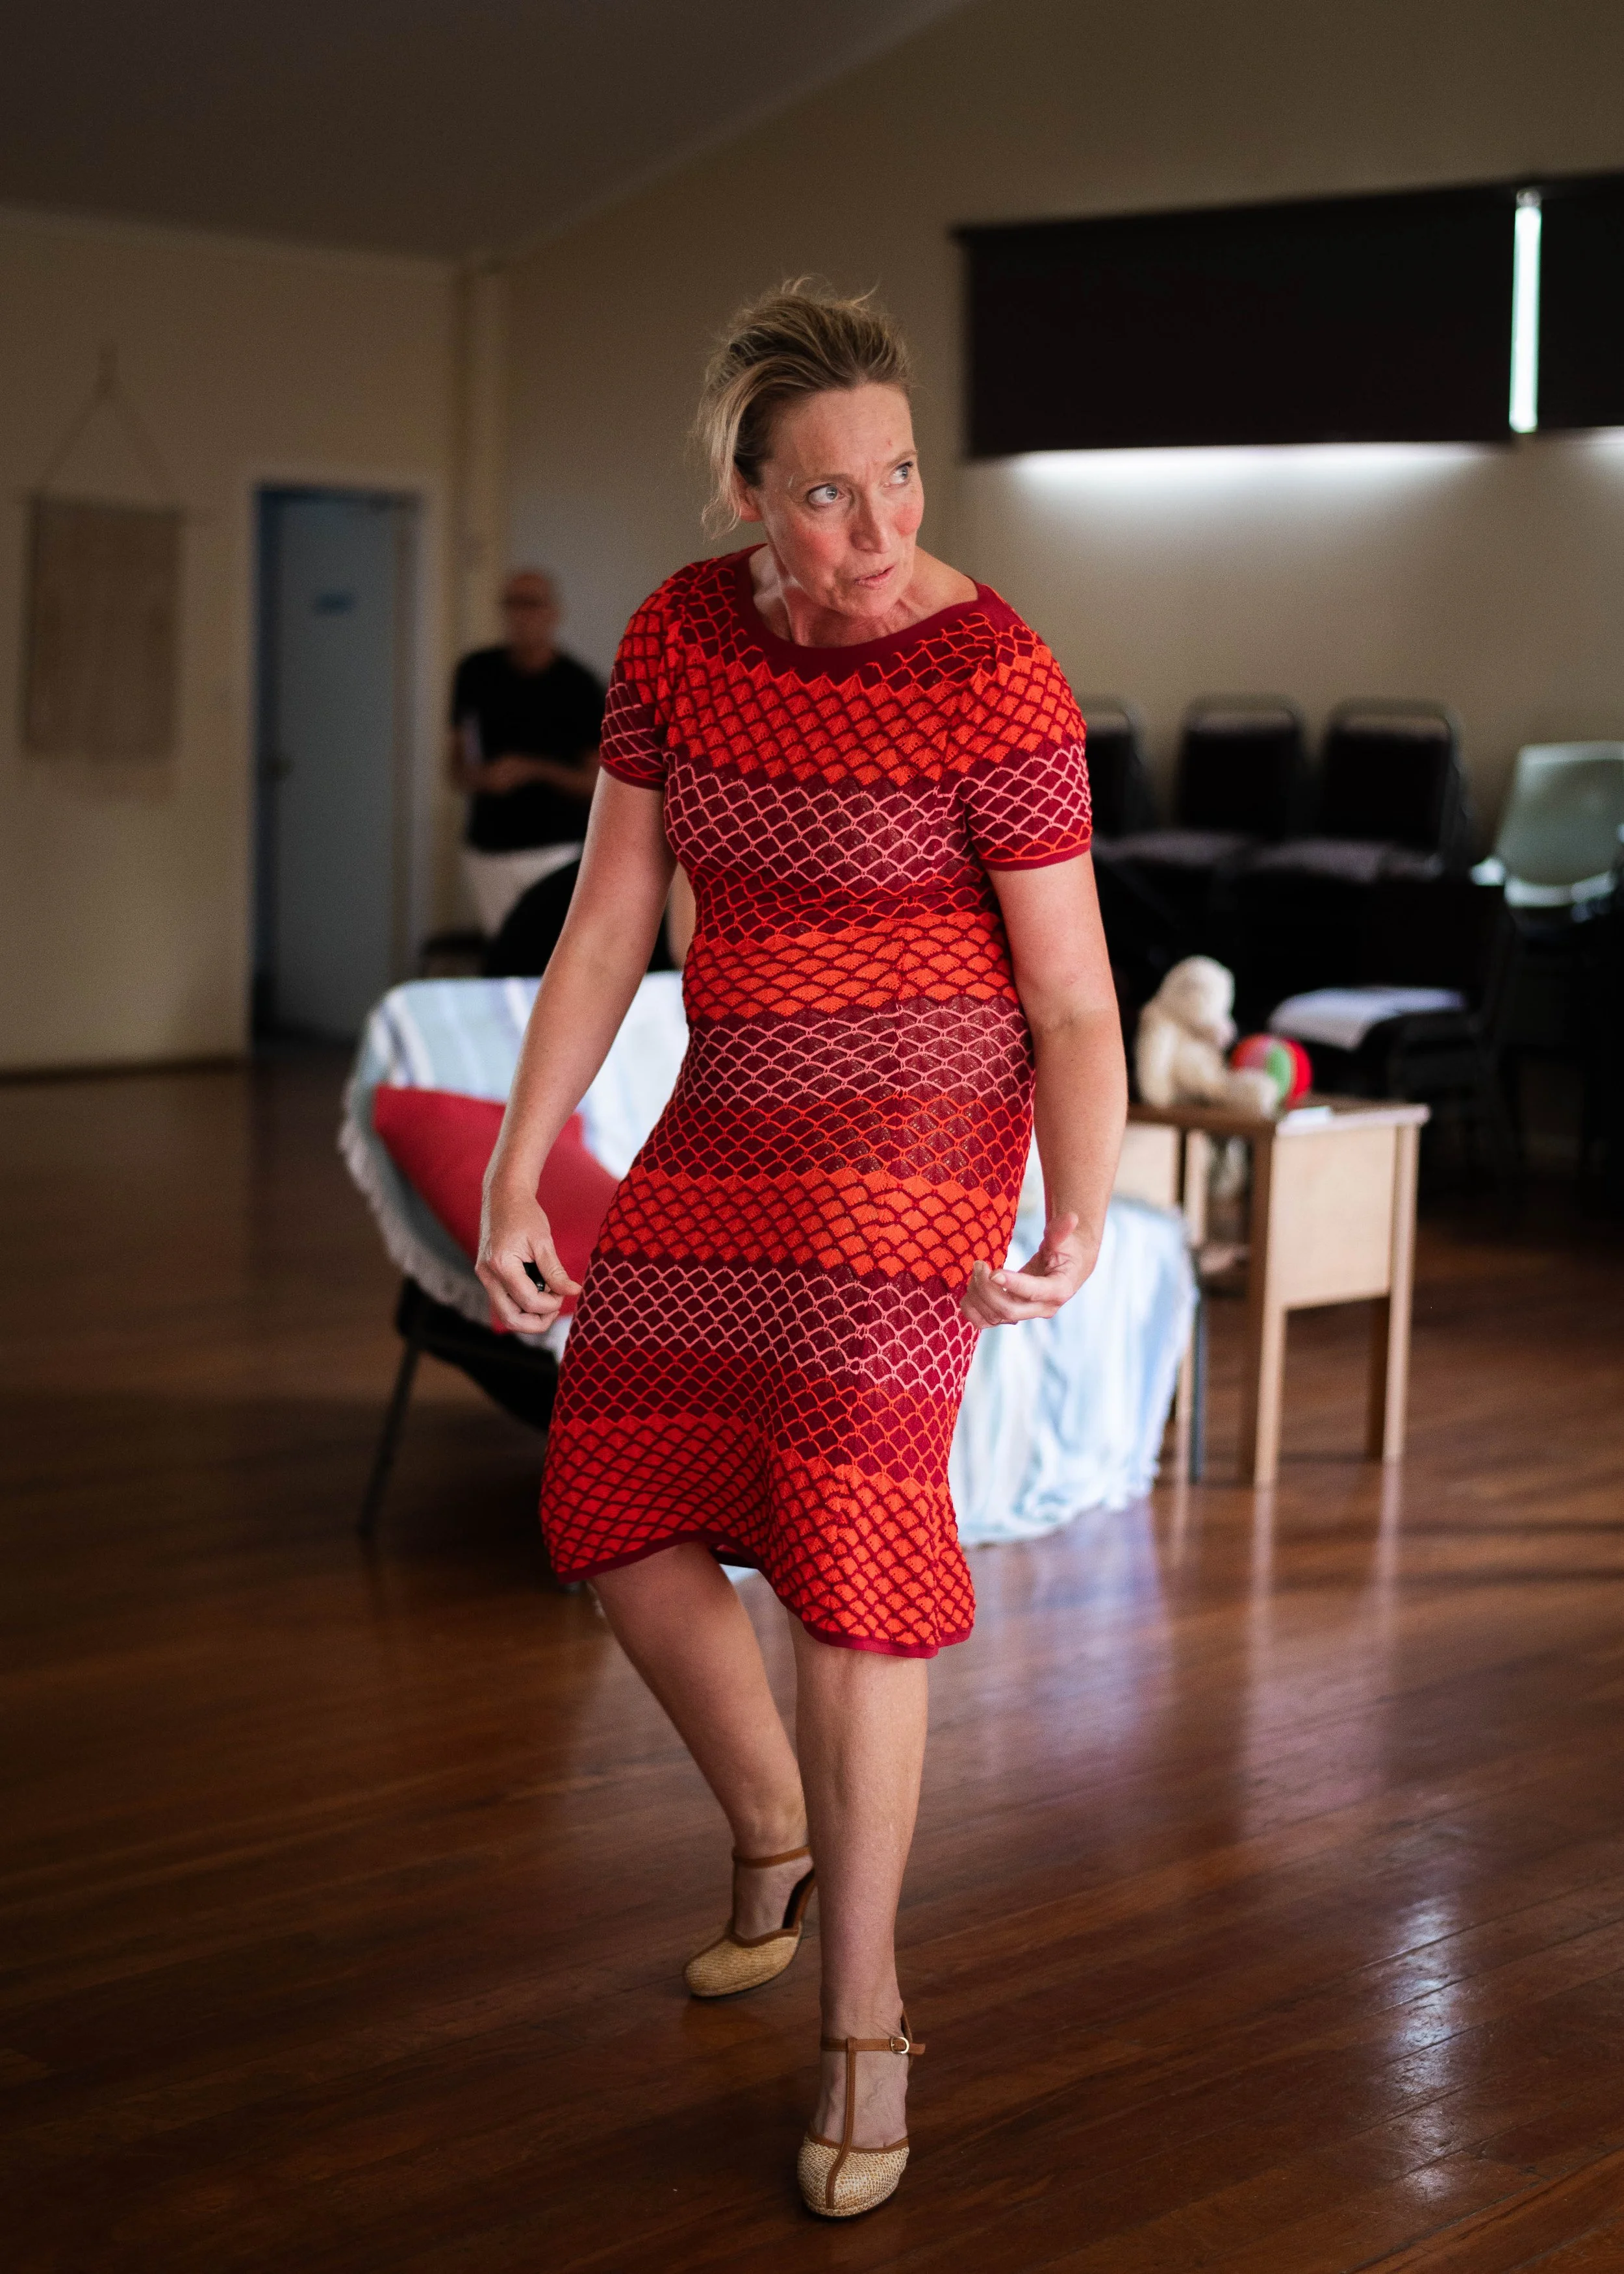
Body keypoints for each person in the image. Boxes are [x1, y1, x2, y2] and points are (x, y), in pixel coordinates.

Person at [476, 284, 1126, 2220]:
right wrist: (529, 1160)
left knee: (845, 1536)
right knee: (605, 1483)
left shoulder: (993, 665)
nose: (876, 525)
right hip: (737, 1100)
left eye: (900, 475)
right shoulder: (675, 634)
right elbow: (606, 918)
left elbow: (1073, 993)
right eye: (827, 493)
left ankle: (865, 2011)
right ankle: (772, 1823)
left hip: (920, 1124)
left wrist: (1074, 1205)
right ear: (745, 495)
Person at [448, 568, 605, 936]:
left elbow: (597, 782)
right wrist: (483, 778)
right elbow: (456, 764)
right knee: (505, 951)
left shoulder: (578, 686)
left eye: (531, 604)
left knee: (551, 953)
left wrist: (533, 770)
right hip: (490, 847)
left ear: (552, 612)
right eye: (512, 604)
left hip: (558, 848)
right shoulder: (476, 673)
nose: (521, 615)